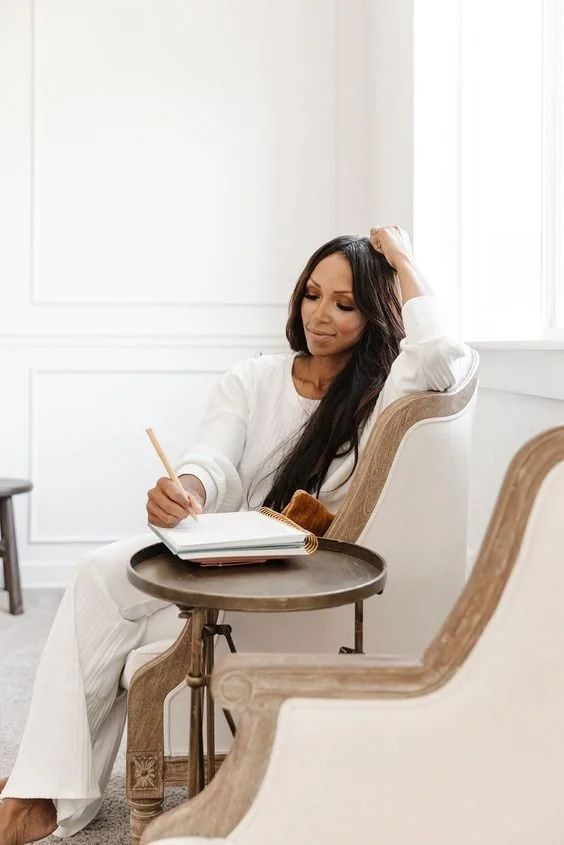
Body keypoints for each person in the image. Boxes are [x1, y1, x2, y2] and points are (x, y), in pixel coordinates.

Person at [0, 225, 473, 844]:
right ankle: (41, 793)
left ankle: (39, 799)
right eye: (311, 294)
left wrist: (402, 256)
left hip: (299, 574)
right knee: (96, 574)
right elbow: (213, 460)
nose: (320, 316)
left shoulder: (386, 390)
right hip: (220, 549)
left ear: (378, 313)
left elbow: (444, 354)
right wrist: (189, 491)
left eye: (344, 303)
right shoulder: (253, 379)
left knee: (118, 620)